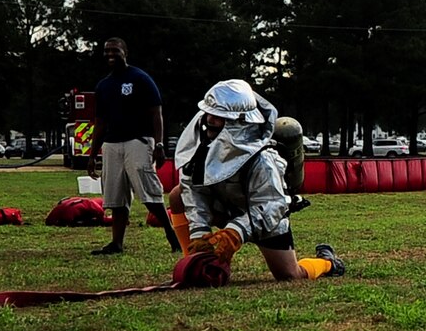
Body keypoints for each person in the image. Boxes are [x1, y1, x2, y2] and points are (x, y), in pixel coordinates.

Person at [175, 79, 343, 281]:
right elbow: (193, 190)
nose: (209, 119)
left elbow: (271, 207)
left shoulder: (263, 159)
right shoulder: (200, 146)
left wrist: (234, 233)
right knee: (178, 195)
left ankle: (328, 262)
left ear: (239, 122)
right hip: (225, 208)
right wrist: (199, 234)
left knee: (290, 275)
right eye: (208, 112)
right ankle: (197, 262)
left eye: (219, 116)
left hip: (262, 217)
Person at [88, 38, 180, 255]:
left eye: (115, 50)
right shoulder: (103, 85)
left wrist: (159, 143)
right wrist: (92, 154)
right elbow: (100, 122)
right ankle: (116, 243)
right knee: (116, 196)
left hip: (137, 140)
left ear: (125, 52)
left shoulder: (140, 78)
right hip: (112, 143)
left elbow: (156, 113)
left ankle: (172, 236)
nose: (110, 54)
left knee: (149, 192)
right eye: (106, 50)